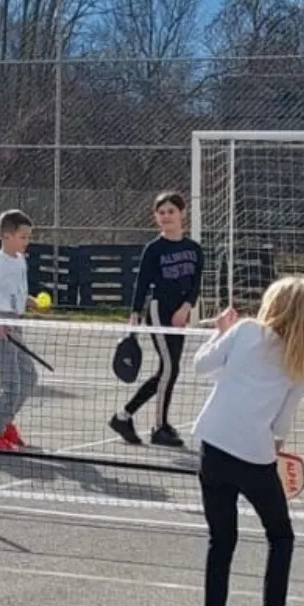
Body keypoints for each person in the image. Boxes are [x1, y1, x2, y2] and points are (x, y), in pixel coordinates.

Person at [191, 275, 304, 606]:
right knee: (280, 535)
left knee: (221, 539)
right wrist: (274, 451)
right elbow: (281, 425)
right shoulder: (301, 362)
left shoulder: (245, 331)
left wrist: (219, 332)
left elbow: (201, 365)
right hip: (255, 457)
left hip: (213, 446)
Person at [109, 190, 203, 449]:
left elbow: (195, 283)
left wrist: (186, 307)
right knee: (170, 369)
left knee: (168, 371)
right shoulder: (154, 249)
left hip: (179, 313)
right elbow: (142, 284)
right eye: (161, 213)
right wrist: (135, 314)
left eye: (171, 211)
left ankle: (123, 417)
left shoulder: (194, 249)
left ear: (182, 214)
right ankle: (159, 427)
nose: (166, 216)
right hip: (158, 311)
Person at [0, 209, 40, 453]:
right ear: (6, 236)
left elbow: (16, 291)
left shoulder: (20, 259)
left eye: (28, 237)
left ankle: (5, 422)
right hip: (1, 325)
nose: (27, 241)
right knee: (11, 383)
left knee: (29, 376)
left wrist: (31, 301)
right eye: (23, 237)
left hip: (16, 323)